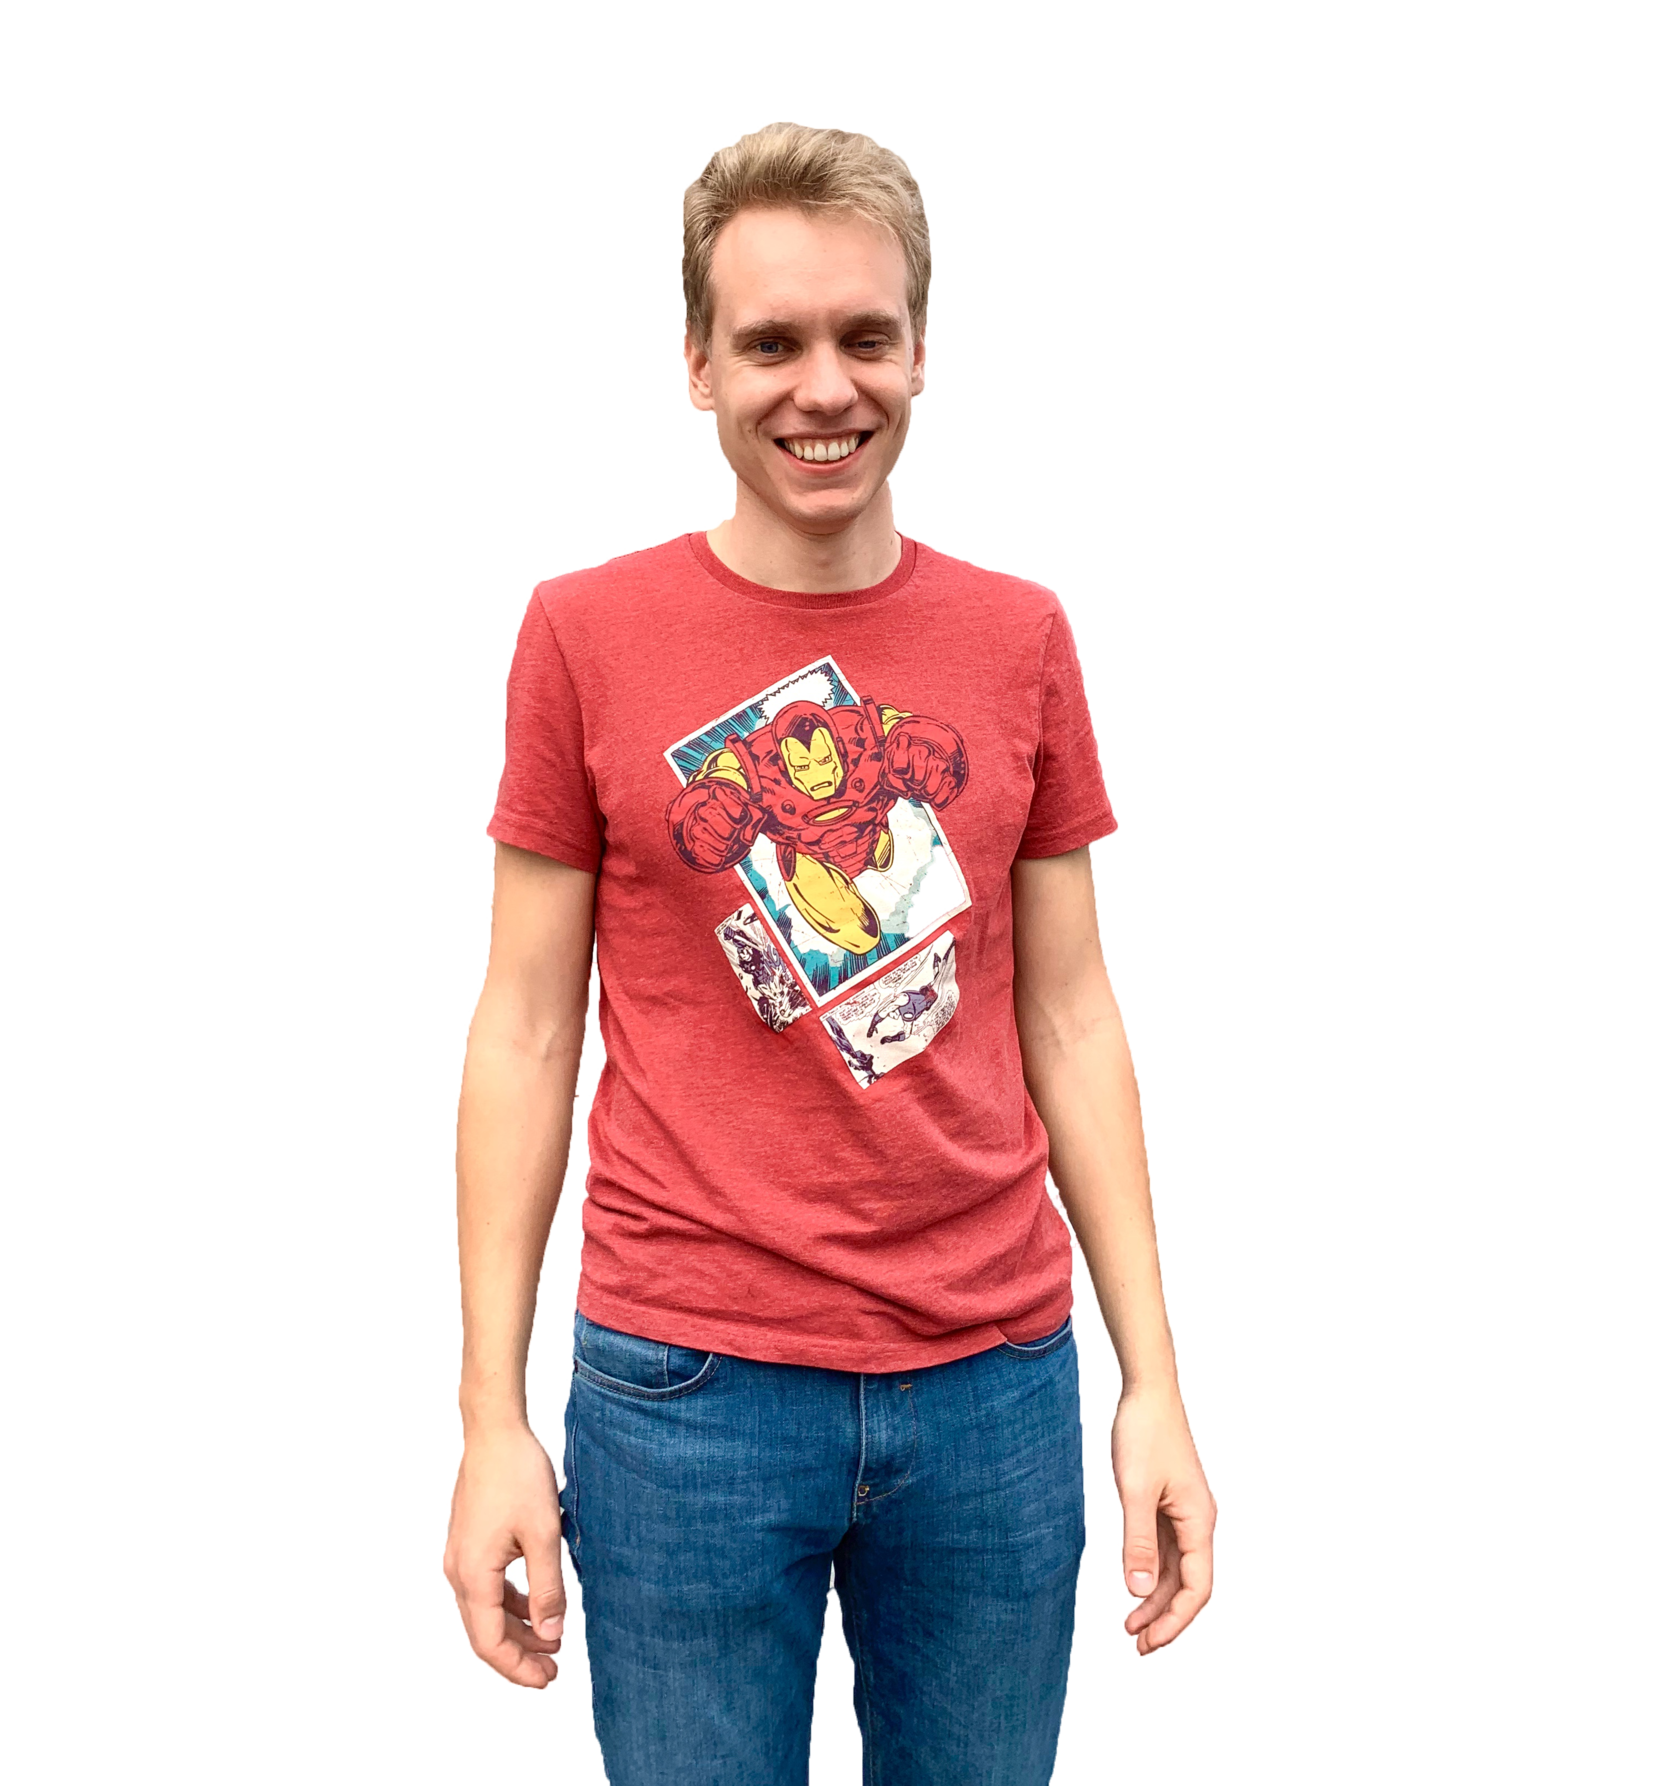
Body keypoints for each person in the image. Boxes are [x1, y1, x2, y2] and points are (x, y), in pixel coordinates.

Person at [442, 119, 1217, 1783]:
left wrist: (1153, 1382)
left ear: (922, 351)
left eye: (867, 336)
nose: (824, 387)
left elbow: (1074, 1012)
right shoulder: (579, 632)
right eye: (771, 342)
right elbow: (523, 1027)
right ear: (696, 365)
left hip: (996, 1379)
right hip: (683, 1388)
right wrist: (488, 1421)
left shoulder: (1022, 633)